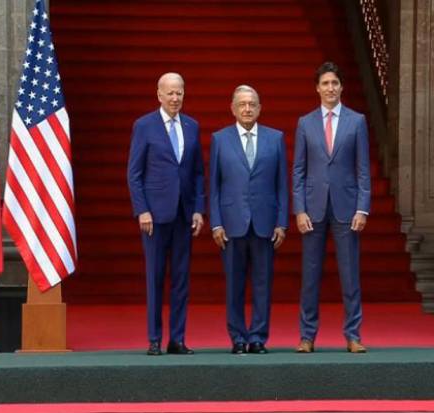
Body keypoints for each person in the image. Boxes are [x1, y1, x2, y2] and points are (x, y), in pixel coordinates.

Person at [292, 61, 371, 353]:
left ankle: (353, 335)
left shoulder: (356, 121)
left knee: (350, 274)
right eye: (325, 83)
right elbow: (298, 170)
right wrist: (299, 209)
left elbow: (363, 169)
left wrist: (362, 209)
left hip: (346, 209)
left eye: (334, 83)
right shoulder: (305, 123)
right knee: (310, 276)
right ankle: (307, 336)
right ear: (317, 88)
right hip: (312, 209)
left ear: (342, 87)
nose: (330, 88)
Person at [127, 72, 205, 356]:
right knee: (156, 277)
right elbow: (134, 174)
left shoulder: (192, 126)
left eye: (179, 93)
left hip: (184, 214)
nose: (175, 98)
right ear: (159, 94)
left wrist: (198, 209)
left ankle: (178, 339)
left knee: (182, 280)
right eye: (170, 93)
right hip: (155, 217)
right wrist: (142, 210)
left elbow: (197, 173)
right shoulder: (144, 126)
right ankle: (154, 339)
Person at [209, 85, 288, 354]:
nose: (247, 108)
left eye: (252, 104)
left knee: (263, 284)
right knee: (234, 284)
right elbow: (215, 186)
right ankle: (238, 338)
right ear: (232, 108)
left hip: (265, 223)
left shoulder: (275, 138)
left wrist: (282, 222)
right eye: (242, 104)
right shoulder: (220, 139)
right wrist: (216, 223)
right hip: (231, 224)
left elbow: (281, 185)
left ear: (260, 108)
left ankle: (257, 337)